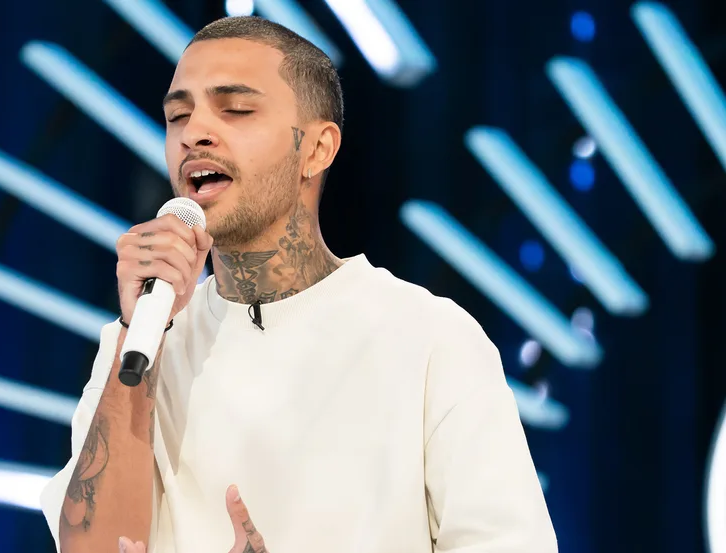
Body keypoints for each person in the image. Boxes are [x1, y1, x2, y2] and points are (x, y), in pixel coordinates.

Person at [40, 15, 557, 553]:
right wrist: (135, 329)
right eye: (177, 115)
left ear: (317, 150)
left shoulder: (430, 337)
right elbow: (92, 547)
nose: (194, 133)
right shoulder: (140, 341)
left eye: (236, 109)